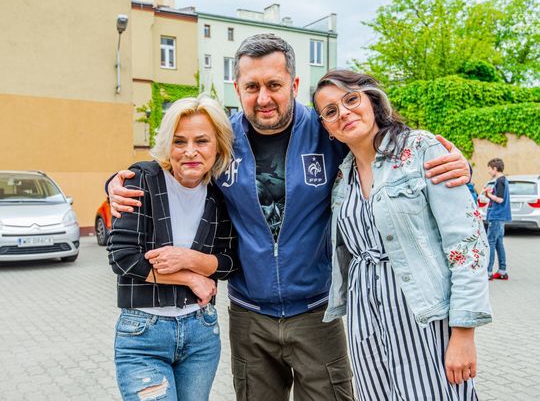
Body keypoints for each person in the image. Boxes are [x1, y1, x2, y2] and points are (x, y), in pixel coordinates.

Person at [107, 34, 472, 401]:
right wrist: (117, 183)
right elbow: (176, 166)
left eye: (274, 85)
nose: (263, 98)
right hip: (249, 316)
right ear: (237, 87)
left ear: (294, 85)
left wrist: (450, 163)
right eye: (252, 87)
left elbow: (378, 147)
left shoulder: (327, 129)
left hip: (317, 312)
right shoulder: (222, 138)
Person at [313, 69, 492, 400]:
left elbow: (467, 243)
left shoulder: (421, 149)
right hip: (365, 320)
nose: (344, 113)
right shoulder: (342, 177)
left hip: (423, 315)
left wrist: (464, 332)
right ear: (327, 128)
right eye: (331, 111)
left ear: (372, 100)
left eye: (351, 99)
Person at [107, 95, 238, 401]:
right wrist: (190, 278)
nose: (190, 151)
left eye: (201, 141)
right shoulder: (142, 180)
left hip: (201, 333)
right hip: (143, 334)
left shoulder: (220, 195)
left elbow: (230, 260)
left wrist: (188, 258)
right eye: (179, 141)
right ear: (168, 144)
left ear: (217, 146)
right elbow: (122, 257)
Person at [484, 157, 512, 280]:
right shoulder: (504, 180)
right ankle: (502, 271)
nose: (489, 171)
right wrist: (490, 195)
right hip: (501, 217)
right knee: (498, 243)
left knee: (490, 242)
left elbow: (500, 199)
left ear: (495, 168)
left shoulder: (500, 181)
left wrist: (489, 194)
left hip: (496, 216)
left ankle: (488, 272)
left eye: (489, 169)